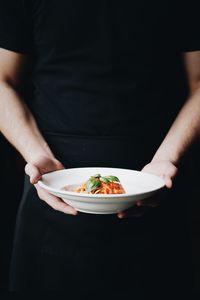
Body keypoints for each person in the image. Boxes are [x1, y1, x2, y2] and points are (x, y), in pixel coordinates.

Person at [0, 0, 199, 295]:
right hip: (49, 182)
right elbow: (2, 80)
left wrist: (167, 158)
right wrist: (35, 154)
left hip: (156, 182)